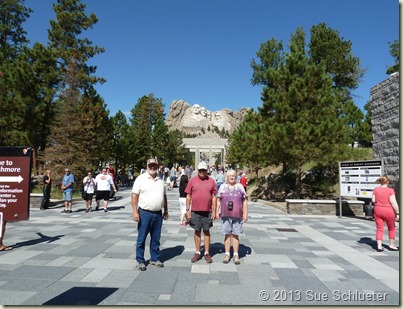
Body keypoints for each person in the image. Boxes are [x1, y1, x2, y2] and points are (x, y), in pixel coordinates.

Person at [132, 158, 168, 271]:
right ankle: (140, 260)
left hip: (158, 213)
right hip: (144, 213)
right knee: (141, 238)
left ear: (158, 166)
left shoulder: (160, 180)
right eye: (150, 166)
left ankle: (154, 258)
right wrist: (135, 212)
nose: (152, 168)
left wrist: (166, 210)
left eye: (154, 166)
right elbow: (134, 195)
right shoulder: (141, 179)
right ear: (147, 166)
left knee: (156, 238)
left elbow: (164, 196)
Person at [185, 161, 217, 263]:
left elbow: (214, 197)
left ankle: (207, 252)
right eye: (200, 170)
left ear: (207, 170)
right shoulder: (192, 181)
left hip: (207, 211)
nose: (202, 172)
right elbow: (188, 196)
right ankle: (198, 252)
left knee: (207, 231)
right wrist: (187, 210)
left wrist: (214, 211)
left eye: (204, 170)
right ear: (198, 170)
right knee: (197, 231)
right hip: (195, 211)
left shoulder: (211, 181)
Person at [217, 170, 248, 264]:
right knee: (227, 234)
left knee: (235, 234)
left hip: (237, 215)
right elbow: (218, 200)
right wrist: (216, 211)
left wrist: (245, 213)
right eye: (230, 175)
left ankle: (235, 254)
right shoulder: (222, 187)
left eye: (233, 176)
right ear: (227, 177)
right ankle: (227, 254)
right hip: (225, 214)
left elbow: (244, 201)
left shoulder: (240, 187)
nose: (231, 177)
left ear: (236, 177)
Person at [372, 175, 399, 252]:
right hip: (388, 210)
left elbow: (373, 200)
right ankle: (391, 245)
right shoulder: (390, 190)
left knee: (380, 229)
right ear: (388, 182)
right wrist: (397, 212)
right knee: (391, 228)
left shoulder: (376, 189)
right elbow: (393, 202)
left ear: (380, 181)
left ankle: (379, 246)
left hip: (377, 210)